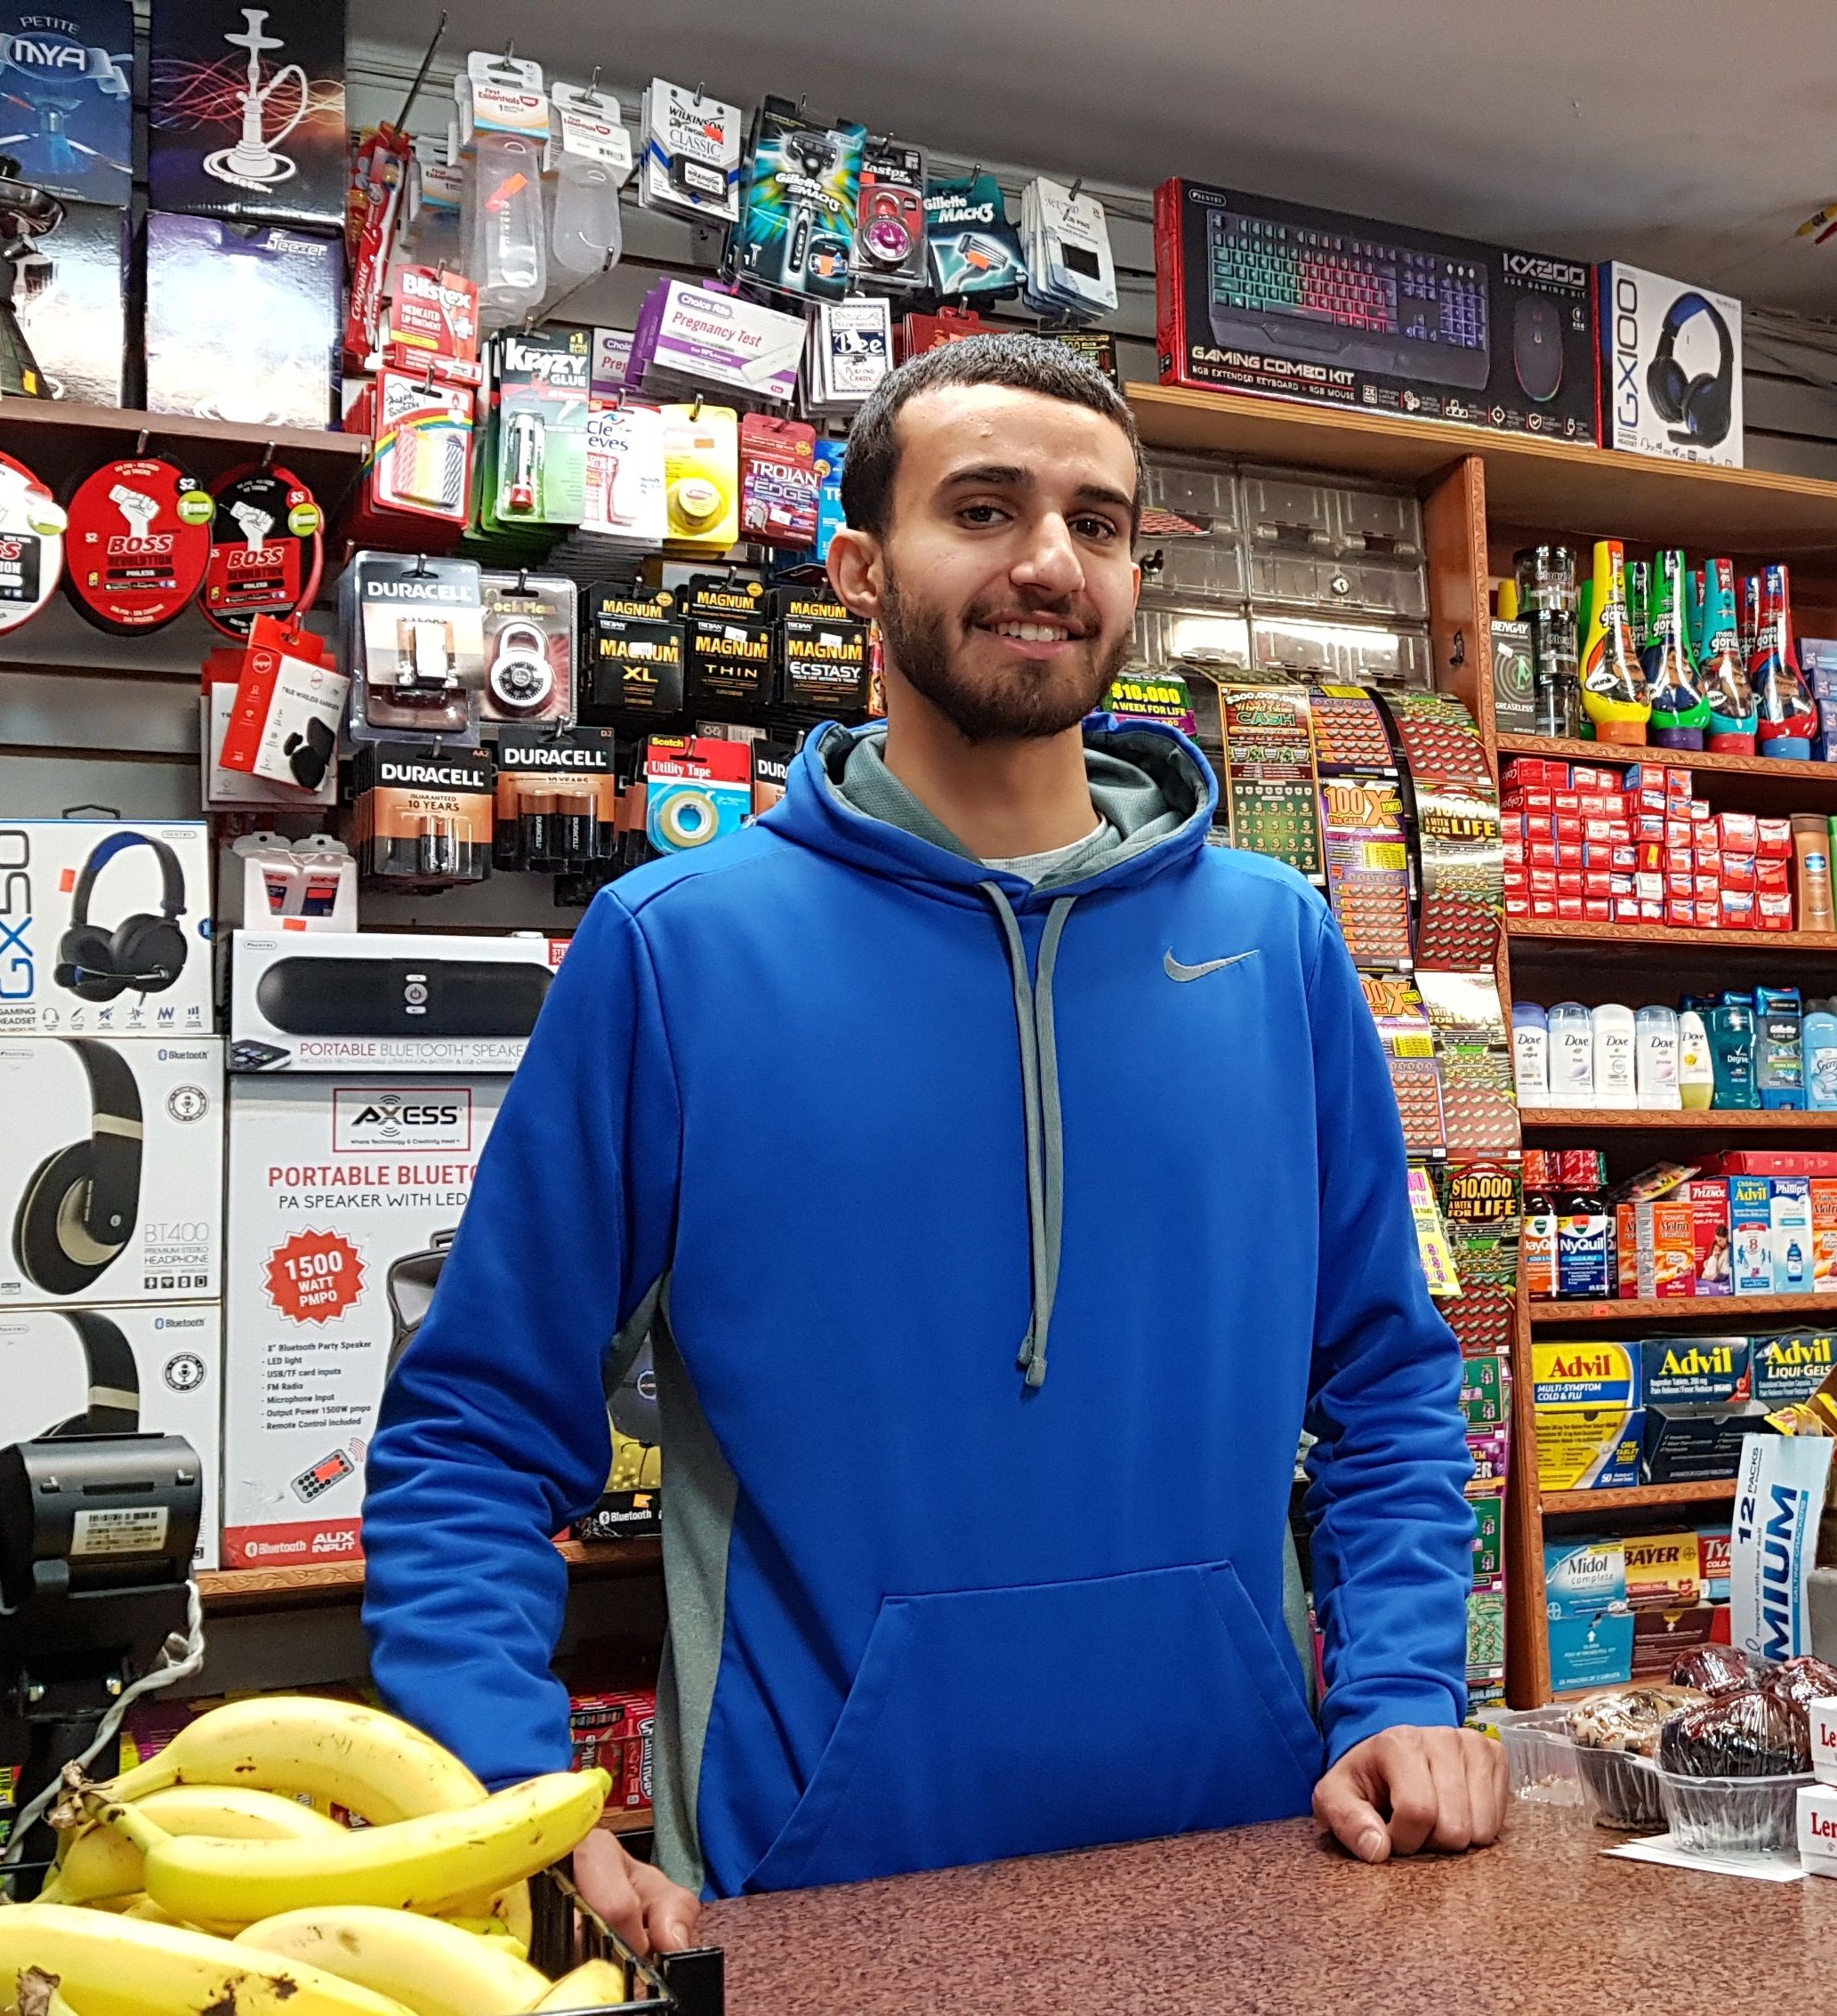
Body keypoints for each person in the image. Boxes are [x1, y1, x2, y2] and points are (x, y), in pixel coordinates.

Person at [361, 335, 1503, 1951]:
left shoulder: (1278, 944)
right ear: (856, 570)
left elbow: (1388, 1382)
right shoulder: (678, 950)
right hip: (814, 1898)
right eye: (985, 508)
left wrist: (1398, 1688)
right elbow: (474, 1431)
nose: (1049, 561)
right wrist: (504, 1792)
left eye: (1098, 524)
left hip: (1256, 1871)